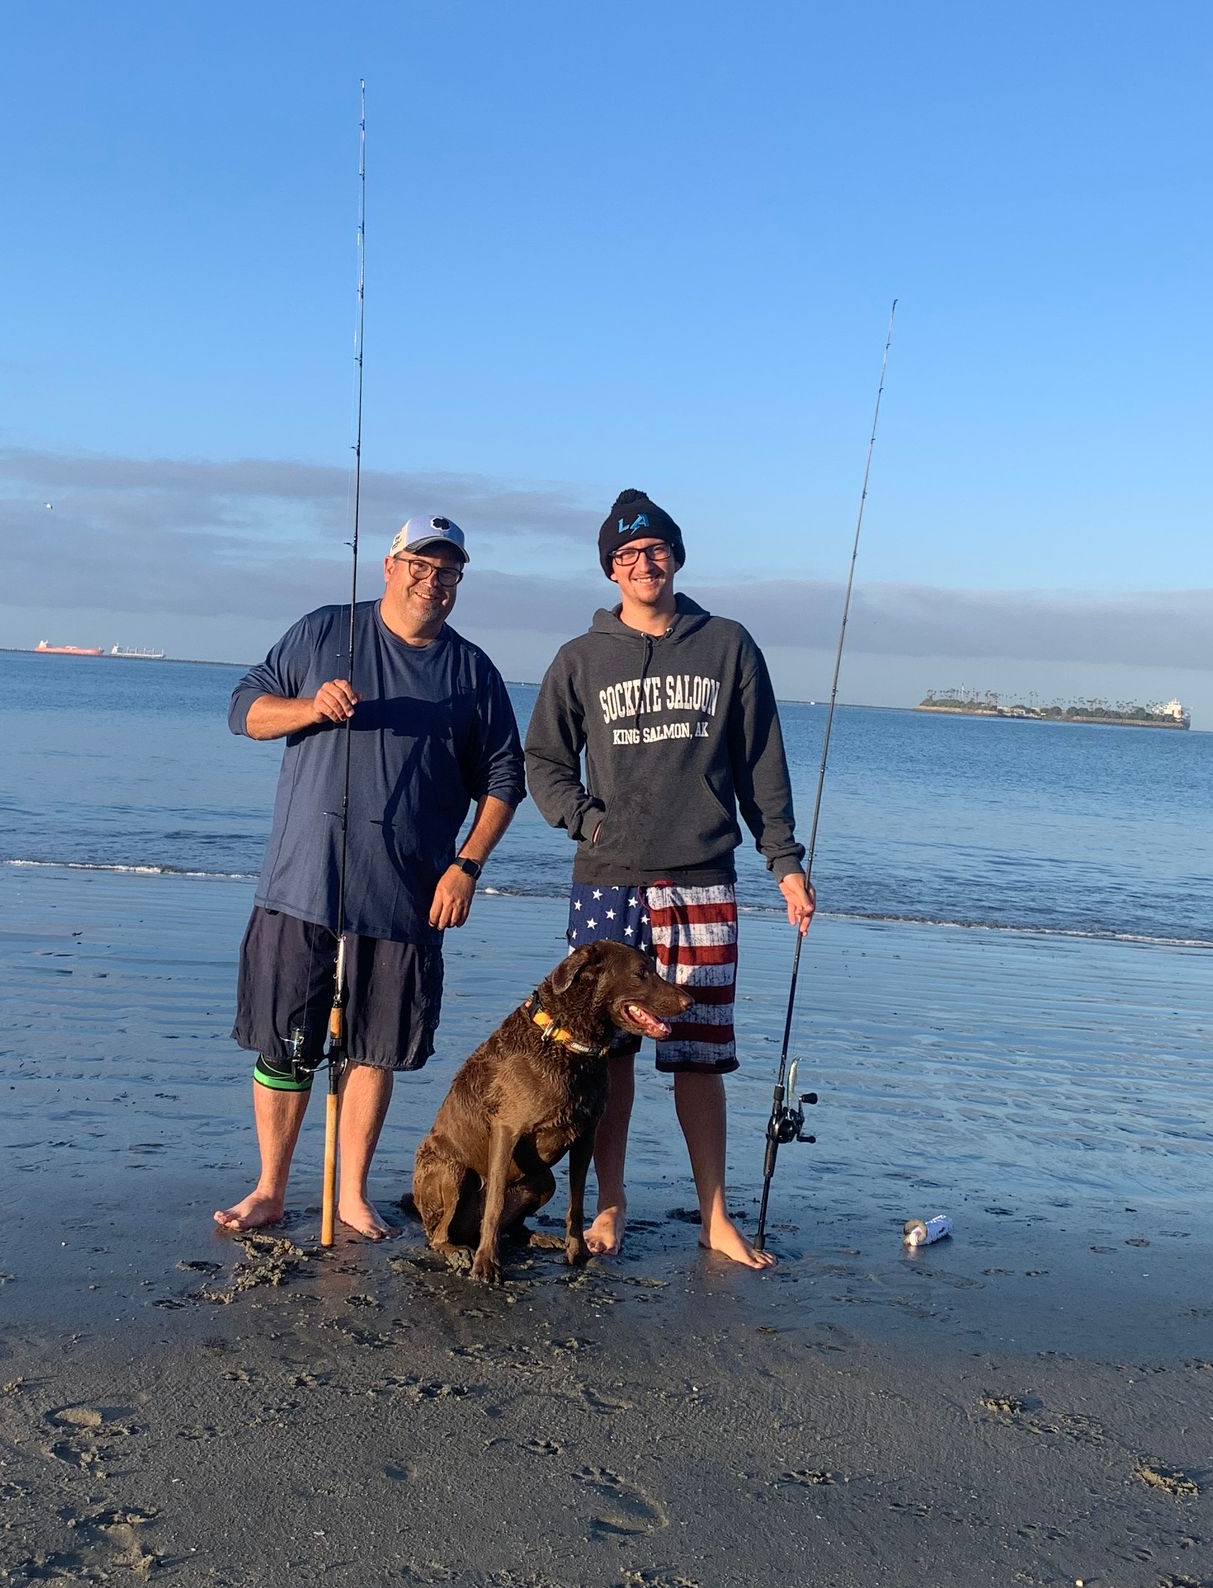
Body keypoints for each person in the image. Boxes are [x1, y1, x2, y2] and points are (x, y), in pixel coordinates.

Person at [524, 489, 814, 1269]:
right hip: (608, 881)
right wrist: (586, 819)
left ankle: (715, 1216)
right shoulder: (579, 660)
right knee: (606, 1055)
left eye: (655, 551)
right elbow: (544, 762)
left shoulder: (727, 645)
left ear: (676, 558)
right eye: (626, 556)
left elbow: (763, 764)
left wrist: (784, 865)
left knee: (699, 1052)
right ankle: (608, 1204)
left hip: (701, 880)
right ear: (611, 571)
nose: (643, 565)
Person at [219, 514, 524, 1240]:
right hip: (302, 883)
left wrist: (466, 865)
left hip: (406, 893)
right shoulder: (325, 632)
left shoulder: (472, 671)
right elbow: (243, 710)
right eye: (419, 564)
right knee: (284, 1042)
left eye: (447, 570)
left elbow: (505, 778)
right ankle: (269, 1189)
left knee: (373, 1048)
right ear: (389, 566)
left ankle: (351, 1194)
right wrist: (309, 707)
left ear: (459, 582)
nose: (432, 580)